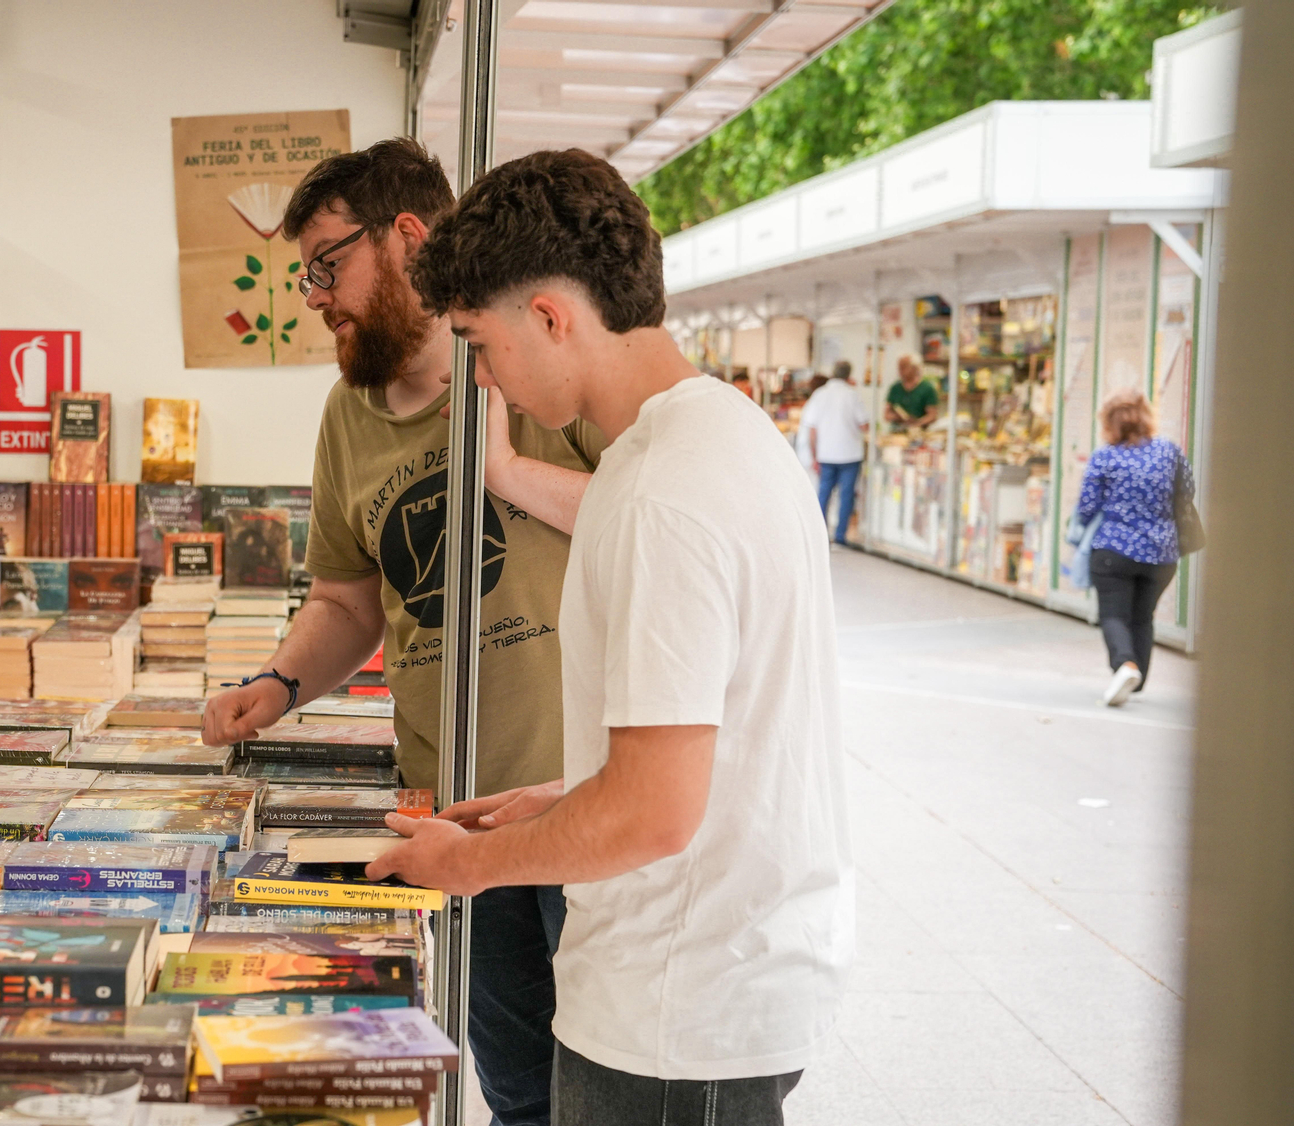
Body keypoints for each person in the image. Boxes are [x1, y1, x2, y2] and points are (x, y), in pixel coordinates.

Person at [375, 148, 852, 1126]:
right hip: (719, 987)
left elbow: (653, 816)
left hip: (671, 1019)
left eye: (478, 339)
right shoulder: (719, 435)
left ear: (550, 316)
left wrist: (461, 865)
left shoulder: (658, 497)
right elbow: (706, 747)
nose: (479, 373)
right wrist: (554, 797)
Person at [197, 137, 604, 1126]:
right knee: (513, 1093)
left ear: (408, 236)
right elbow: (346, 600)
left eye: (327, 263)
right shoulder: (347, 416)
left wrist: (506, 470)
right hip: (454, 817)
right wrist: (280, 684)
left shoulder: (537, 368)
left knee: (604, 1092)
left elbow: (654, 512)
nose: (314, 294)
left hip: (583, 799)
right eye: (304, 274)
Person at [1076, 390, 1194, 706]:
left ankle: (1125, 665)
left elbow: (1087, 507)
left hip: (1114, 550)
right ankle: (1137, 680)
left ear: (1109, 423)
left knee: (1113, 615)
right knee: (1143, 616)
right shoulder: (1169, 452)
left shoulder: (1105, 457)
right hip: (1161, 554)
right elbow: (1187, 491)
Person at [798, 360, 870, 544]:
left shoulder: (819, 395)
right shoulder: (853, 395)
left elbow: (812, 430)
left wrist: (814, 456)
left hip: (825, 454)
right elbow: (864, 425)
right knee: (846, 495)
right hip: (850, 454)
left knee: (824, 493)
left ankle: (819, 535)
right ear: (849, 375)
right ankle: (840, 536)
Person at [884, 355, 939, 427]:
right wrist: (897, 417)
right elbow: (886, 414)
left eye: (904, 367)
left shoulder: (927, 388)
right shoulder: (895, 388)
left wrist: (917, 423)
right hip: (897, 430)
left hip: (920, 431)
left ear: (915, 368)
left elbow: (932, 415)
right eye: (899, 367)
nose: (900, 370)